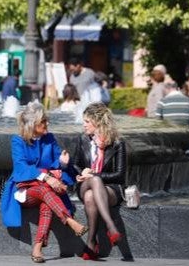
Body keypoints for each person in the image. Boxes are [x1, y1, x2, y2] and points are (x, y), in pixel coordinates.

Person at [1, 102, 88, 263]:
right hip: (24, 190)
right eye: (44, 121)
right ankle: (69, 220)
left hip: (46, 190)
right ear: (33, 124)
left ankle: (37, 248)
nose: (47, 123)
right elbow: (21, 167)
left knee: (46, 203)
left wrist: (62, 162)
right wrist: (47, 177)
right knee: (44, 190)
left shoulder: (49, 138)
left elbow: (57, 159)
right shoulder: (17, 141)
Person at [73, 102, 126, 260]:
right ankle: (111, 226)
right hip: (85, 184)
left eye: (87, 121)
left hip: (110, 189)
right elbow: (75, 164)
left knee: (91, 196)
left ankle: (91, 242)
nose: (84, 125)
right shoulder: (82, 140)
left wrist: (96, 175)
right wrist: (81, 172)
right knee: (93, 183)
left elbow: (120, 175)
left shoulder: (117, 144)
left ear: (97, 122)